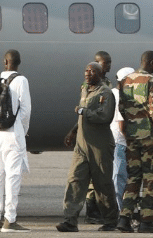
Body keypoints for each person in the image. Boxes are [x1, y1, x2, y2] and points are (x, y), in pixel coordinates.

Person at [57, 62, 118, 232]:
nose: (87, 73)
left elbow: (105, 116)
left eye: (92, 71)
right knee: (74, 180)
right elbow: (81, 116)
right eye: (86, 70)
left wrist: (84, 112)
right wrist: (73, 131)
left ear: (99, 74)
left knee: (102, 184)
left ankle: (111, 220)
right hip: (82, 145)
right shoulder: (84, 89)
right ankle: (70, 221)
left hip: (99, 146)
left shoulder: (105, 92)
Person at [116, 51, 153, 233]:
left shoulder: (125, 81)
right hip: (149, 138)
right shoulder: (152, 81)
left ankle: (124, 219)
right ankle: (146, 221)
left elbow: (122, 109)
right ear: (151, 62)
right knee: (150, 179)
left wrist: (130, 130)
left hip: (132, 137)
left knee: (133, 177)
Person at [0, 49, 32, 233]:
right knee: (13, 176)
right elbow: (26, 110)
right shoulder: (21, 80)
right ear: (18, 63)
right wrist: (22, 130)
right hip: (13, 133)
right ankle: (10, 220)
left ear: (5, 62)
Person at [112, 67, 135, 216]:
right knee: (119, 178)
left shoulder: (112, 93)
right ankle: (120, 212)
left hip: (114, 141)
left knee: (117, 177)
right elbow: (122, 125)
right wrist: (131, 143)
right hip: (120, 142)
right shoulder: (123, 96)